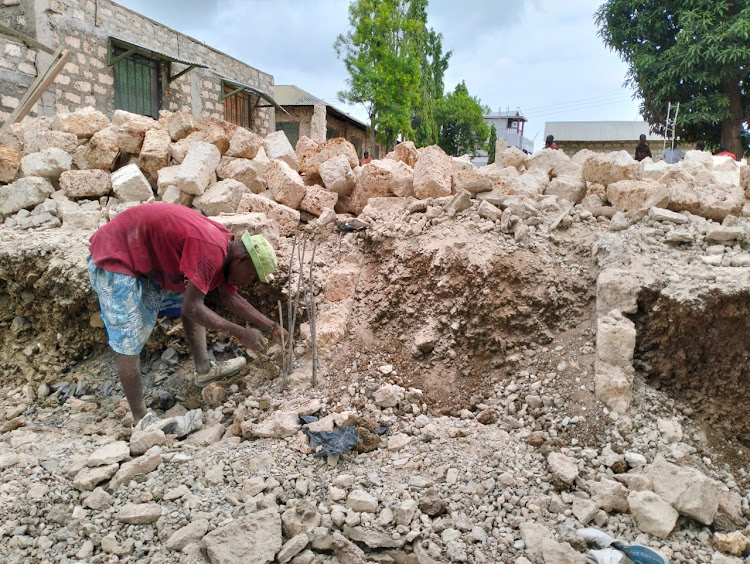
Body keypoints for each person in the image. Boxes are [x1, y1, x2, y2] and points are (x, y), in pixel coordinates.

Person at [88, 203, 286, 428]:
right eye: (250, 275)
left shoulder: (225, 250)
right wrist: (240, 332)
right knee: (129, 336)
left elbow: (228, 297)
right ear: (241, 259)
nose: (247, 282)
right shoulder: (211, 250)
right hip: (116, 255)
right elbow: (191, 308)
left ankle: (204, 369)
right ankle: (141, 419)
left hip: (143, 255)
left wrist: (272, 327)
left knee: (189, 295)